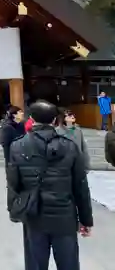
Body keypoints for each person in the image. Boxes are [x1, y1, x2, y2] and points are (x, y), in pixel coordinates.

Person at [7, 100, 93, 270]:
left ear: (31, 118)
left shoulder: (17, 146)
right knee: (68, 264)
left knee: (36, 264)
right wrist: (86, 220)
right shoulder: (70, 146)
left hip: (33, 214)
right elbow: (80, 186)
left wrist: (14, 210)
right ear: (55, 120)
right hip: (64, 216)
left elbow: (13, 183)